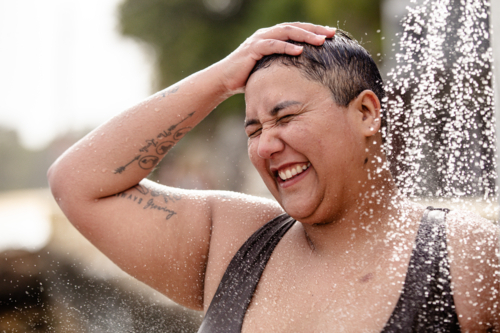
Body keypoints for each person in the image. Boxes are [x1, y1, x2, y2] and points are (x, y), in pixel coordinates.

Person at [47, 23, 499, 332]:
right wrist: (223, 78)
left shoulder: (469, 258)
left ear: (364, 112)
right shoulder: (231, 240)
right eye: (254, 129)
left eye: (285, 117)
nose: (265, 146)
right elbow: (77, 182)